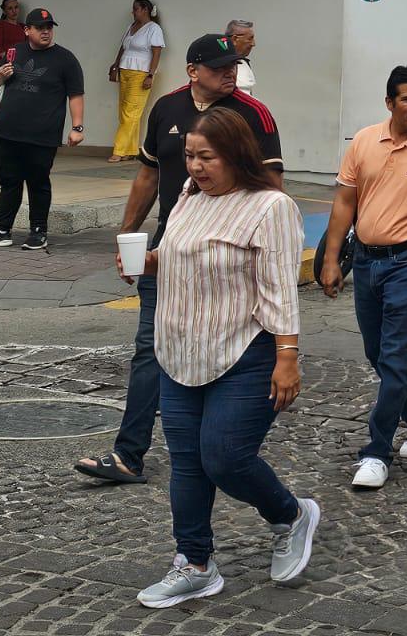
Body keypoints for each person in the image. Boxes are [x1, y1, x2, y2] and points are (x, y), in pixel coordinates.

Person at [74, 34, 283, 486]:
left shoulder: (254, 114)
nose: (231, 73)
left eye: (235, 65)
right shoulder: (167, 108)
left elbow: (273, 190)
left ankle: (221, 436)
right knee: (151, 348)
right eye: (220, 66)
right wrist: (129, 236)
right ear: (193, 70)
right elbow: (147, 174)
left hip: (228, 252)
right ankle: (129, 453)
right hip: (171, 245)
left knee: (220, 345)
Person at [131, 108, 318, 608]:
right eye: (190, 155)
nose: (194, 166)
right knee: (187, 464)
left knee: (225, 457)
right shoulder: (189, 198)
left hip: (245, 352)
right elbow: (176, 256)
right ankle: (194, 563)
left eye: (206, 157)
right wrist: (148, 263)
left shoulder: (270, 207)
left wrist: (288, 357)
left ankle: (291, 515)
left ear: (236, 154)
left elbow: (281, 289)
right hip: (179, 351)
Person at [319, 66, 407, 490]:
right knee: (377, 353)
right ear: (390, 103)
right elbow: (345, 201)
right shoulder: (365, 140)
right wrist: (331, 259)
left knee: (397, 359)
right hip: (366, 261)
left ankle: (376, 452)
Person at [0, 8, 85, 251]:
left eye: (49, 27)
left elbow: (76, 95)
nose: (45, 32)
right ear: (26, 30)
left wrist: (77, 127)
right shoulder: (14, 52)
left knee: (38, 182)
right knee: (9, 181)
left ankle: (38, 231)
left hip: (43, 135)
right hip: (8, 131)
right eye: (40, 28)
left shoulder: (66, 59)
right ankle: (2, 230)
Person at [108, 0, 164, 162]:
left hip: (141, 73)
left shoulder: (154, 29)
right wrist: (115, 66)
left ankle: (118, 150)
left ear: (145, 10)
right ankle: (130, 150)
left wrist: (150, 75)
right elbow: (122, 48)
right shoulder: (131, 27)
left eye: (136, 9)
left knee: (131, 112)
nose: (133, 12)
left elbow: (157, 53)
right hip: (125, 70)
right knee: (124, 111)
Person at [225, 20, 258, 96]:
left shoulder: (244, 62)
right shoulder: (219, 66)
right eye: (250, 39)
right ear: (235, 39)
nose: (253, 44)